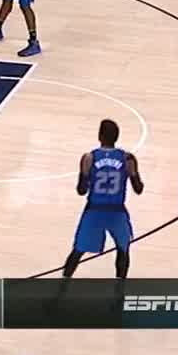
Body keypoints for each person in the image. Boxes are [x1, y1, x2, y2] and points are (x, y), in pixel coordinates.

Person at [62, 119, 144, 278]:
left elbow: (81, 190)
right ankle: (120, 285)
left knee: (78, 251)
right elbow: (138, 189)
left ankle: (63, 282)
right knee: (123, 250)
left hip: (94, 210)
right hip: (117, 211)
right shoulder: (127, 159)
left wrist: (87, 177)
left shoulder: (89, 158)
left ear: (99, 136)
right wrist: (134, 175)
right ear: (117, 137)